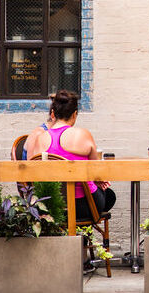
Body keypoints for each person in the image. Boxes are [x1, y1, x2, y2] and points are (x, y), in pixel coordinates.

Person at [28, 90, 115, 221]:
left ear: (53, 113)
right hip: (82, 206)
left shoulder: (40, 139)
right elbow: (96, 169)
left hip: (51, 206)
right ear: (74, 114)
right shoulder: (83, 134)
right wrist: (97, 180)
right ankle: (84, 234)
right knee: (110, 195)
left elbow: (33, 173)